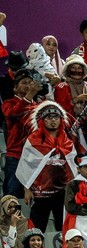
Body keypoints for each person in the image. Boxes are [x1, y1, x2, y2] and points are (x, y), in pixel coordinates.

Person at [17, 101, 76, 232]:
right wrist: (27, 189)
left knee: (63, 229)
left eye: (56, 117)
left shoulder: (67, 141)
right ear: (42, 120)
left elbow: (72, 167)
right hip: (40, 193)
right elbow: (25, 166)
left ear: (61, 120)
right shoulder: (33, 140)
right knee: (37, 229)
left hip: (62, 192)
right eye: (49, 118)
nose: (53, 121)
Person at [1, 69, 43, 198]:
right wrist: (29, 95)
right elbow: (13, 113)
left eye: (30, 82)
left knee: (35, 196)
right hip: (16, 156)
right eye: (24, 83)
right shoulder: (8, 104)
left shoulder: (38, 106)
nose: (28, 85)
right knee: (12, 196)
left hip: (35, 156)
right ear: (15, 88)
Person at [54, 54, 87, 118]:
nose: (76, 71)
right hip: (69, 123)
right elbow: (59, 108)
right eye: (73, 67)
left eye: (79, 68)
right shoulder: (61, 87)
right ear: (68, 70)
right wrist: (76, 99)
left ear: (83, 71)